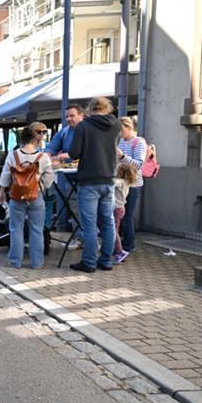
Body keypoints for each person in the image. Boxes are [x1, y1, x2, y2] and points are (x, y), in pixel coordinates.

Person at [68, 97, 121, 273]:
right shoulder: (117, 125)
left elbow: (74, 153)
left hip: (89, 180)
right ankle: (106, 260)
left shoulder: (84, 126)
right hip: (109, 179)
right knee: (108, 222)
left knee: (90, 224)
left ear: (90, 109)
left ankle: (89, 262)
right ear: (107, 109)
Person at [0, 123, 54, 269]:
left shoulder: (13, 155)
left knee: (16, 228)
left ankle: (15, 261)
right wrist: (42, 184)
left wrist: (2, 193)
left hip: (17, 196)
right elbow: (49, 179)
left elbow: (5, 175)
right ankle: (37, 263)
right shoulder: (42, 157)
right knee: (36, 229)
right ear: (35, 139)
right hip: (36, 196)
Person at [46, 103, 84, 234]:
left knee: (89, 211)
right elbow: (50, 148)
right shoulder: (64, 132)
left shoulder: (88, 131)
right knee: (74, 209)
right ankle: (79, 237)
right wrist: (48, 157)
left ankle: (92, 240)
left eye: (72, 116)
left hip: (88, 178)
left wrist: (68, 154)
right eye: (67, 116)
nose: (68, 119)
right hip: (71, 177)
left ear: (81, 116)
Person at [116, 116, 146, 253]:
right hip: (119, 183)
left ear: (129, 128)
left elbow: (139, 164)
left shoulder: (139, 142)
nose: (119, 133)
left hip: (133, 185)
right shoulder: (120, 141)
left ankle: (128, 246)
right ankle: (118, 245)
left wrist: (122, 156)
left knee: (127, 216)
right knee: (118, 214)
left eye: (121, 130)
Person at [112, 162, 138, 264]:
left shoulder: (120, 182)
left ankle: (120, 251)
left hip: (116, 209)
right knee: (115, 229)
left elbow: (111, 182)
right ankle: (115, 249)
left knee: (113, 230)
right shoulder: (127, 182)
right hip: (120, 208)